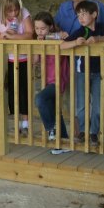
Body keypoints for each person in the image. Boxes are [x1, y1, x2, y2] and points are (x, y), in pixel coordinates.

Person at [59, 0, 104, 147]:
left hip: (99, 72)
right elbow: (63, 45)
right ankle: (83, 131)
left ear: (94, 14)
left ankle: (94, 132)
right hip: (81, 72)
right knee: (81, 105)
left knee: (98, 104)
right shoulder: (80, 31)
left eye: (84, 14)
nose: (81, 18)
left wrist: (98, 39)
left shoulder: (102, 27)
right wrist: (75, 43)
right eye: (78, 15)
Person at [0, 0, 33, 133]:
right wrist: (3, 35)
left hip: (23, 58)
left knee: (24, 90)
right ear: (3, 9)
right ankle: (16, 121)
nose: (14, 13)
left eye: (16, 10)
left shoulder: (24, 13)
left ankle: (26, 123)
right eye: (10, 11)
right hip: (6, 59)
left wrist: (13, 37)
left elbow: (29, 33)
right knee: (10, 90)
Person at [33, 11, 70, 145]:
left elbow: (65, 38)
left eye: (43, 28)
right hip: (47, 80)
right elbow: (35, 60)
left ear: (51, 27)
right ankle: (63, 140)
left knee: (39, 99)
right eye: (37, 28)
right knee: (55, 110)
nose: (39, 31)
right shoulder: (40, 40)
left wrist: (56, 36)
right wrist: (38, 45)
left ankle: (51, 129)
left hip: (58, 80)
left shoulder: (58, 37)